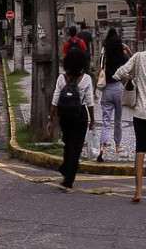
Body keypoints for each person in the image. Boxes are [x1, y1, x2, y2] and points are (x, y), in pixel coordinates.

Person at [52, 45, 95, 190]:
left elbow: (55, 100)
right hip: (80, 114)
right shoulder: (87, 79)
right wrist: (92, 120)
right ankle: (69, 178)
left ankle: (65, 168)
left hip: (65, 115)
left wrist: (51, 119)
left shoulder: (61, 78)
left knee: (68, 142)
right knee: (77, 147)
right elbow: (89, 101)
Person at [114, 46, 146, 203]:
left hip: (140, 113)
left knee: (140, 150)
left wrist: (131, 77)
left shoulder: (139, 57)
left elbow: (118, 73)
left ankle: (138, 191)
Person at [98, 29, 130, 162]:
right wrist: (127, 49)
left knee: (106, 120)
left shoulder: (105, 52)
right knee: (118, 120)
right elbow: (130, 64)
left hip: (107, 89)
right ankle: (117, 146)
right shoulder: (121, 55)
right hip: (119, 88)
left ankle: (103, 147)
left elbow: (100, 65)